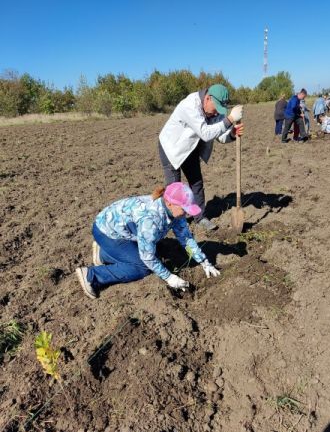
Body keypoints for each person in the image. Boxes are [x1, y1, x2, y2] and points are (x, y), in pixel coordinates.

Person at [75, 182, 220, 299]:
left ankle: (103, 254)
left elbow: (186, 238)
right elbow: (147, 257)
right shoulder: (151, 220)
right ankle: (92, 275)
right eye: (184, 208)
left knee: (156, 250)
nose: (187, 212)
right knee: (142, 267)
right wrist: (169, 277)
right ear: (170, 203)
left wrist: (204, 262)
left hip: (122, 230)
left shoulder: (176, 214)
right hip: (106, 231)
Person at [158, 84, 244, 231]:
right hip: (171, 148)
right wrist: (229, 119)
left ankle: (200, 217)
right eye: (216, 107)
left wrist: (231, 134)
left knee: (196, 183)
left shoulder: (215, 111)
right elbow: (205, 133)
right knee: (174, 189)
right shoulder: (189, 105)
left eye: (220, 110)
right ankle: (171, 221)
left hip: (191, 147)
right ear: (207, 98)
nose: (217, 112)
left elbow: (220, 135)